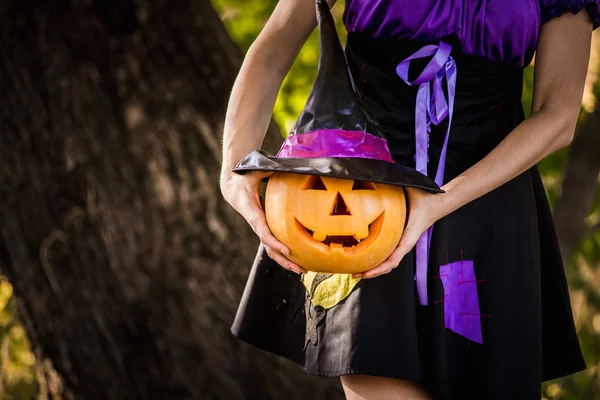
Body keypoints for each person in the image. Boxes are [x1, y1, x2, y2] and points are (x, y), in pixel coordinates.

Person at [220, 0, 599, 399]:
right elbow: (274, 46)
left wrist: (440, 201)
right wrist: (233, 173)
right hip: (361, 203)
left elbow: (557, 115)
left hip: (489, 199)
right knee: (375, 377)